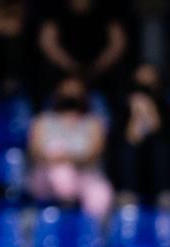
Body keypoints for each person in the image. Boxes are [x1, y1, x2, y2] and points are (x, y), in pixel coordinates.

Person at [28, 76, 113, 219]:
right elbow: (35, 152)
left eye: (75, 90)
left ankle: (91, 233)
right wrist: (54, 160)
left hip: (84, 175)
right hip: (46, 177)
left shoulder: (94, 123)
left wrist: (68, 158)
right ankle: (64, 214)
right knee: (61, 173)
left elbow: (94, 154)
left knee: (101, 194)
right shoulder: (42, 121)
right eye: (67, 90)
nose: (71, 94)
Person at [38, 0, 127, 92]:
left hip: (101, 69)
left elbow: (118, 43)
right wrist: (71, 67)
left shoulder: (107, 9)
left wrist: (97, 67)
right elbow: (47, 42)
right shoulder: (56, 9)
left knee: (118, 76)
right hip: (64, 68)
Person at [112, 63, 170, 204]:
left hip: (158, 165)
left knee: (160, 146)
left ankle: (164, 193)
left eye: (150, 76)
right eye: (142, 76)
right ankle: (128, 193)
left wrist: (149, 108)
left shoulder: (166, 105)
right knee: (128, 148)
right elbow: (131, 137)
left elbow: (158, 129)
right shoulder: (123, 106)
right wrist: (136, 112)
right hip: (134, 163)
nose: (146, 80)